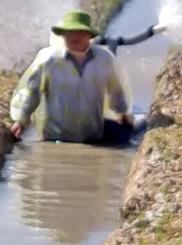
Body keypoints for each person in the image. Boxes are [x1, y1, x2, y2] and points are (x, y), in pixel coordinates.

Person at [10, 10, 137, 145]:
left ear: (89, 36)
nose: (75, 38)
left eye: (80, 33)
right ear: (63, 35)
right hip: (55, 137)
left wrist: (122, 113)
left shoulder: (103, 59)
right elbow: (30, 91)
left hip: (93, 135)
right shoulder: (49, 60)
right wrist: (21, 121)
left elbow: (115, 89)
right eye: (70, 33)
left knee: (125, 137)